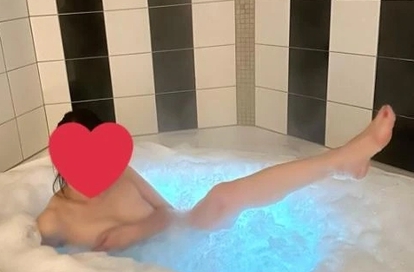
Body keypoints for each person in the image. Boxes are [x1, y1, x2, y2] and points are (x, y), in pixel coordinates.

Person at [37, 105, 396, 253]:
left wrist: (133, 232)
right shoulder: (55, 220)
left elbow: (166, 211)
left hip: (180, 241)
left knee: (225, 195)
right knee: (224, 197)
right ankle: (341, 162)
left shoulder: (119, 173)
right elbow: (39, 271)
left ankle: (340, 161)